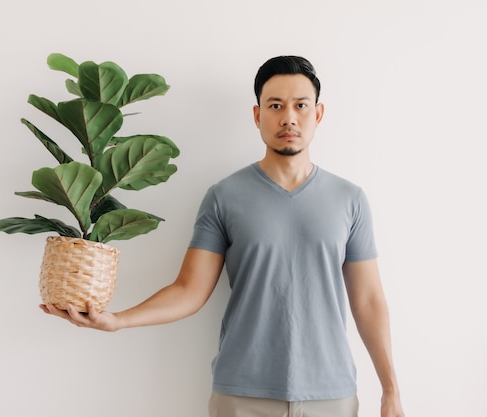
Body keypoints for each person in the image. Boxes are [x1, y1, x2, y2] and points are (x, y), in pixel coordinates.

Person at [41, 55, 405, 417]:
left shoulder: (349, 199)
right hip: (241, 396)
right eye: (275, 105)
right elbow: (189, 290)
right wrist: (118, 320)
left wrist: (390, 390)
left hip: (332, 395)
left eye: (301, 106)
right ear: (257, 115)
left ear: (318, 114)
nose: (289, 117)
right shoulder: (225, 196)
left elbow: (369, 301)